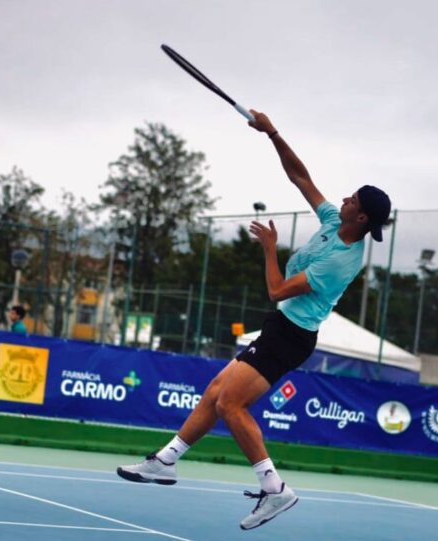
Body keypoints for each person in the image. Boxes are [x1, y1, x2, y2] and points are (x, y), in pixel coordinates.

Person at [117, 110, 391, 530]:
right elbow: (300, 177)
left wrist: (269, 248)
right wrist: (272, 133)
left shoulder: (342, 260)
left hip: (291, 336)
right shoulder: (334, 222)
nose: (343, 200)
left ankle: (274, 487)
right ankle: (166, 461)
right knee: (216, 391)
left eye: (351, 200)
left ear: (362, 218)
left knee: (230, 404)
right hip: (281, 327)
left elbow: (278, 290)